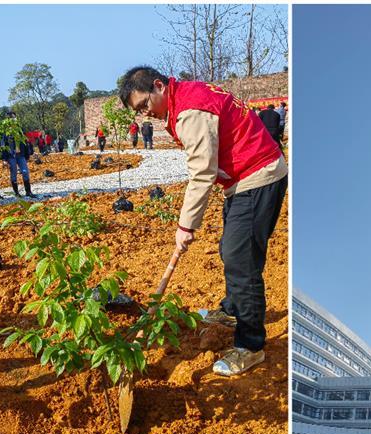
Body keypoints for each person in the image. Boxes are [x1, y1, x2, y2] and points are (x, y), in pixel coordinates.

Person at [119, 66, 288, 377]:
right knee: (230, 250)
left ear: (159, 86)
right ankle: (232, 311)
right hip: (243, 178)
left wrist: (185, 226)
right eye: (139, 111)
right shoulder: (185, 96)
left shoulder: (190, 110)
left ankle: (250, 346)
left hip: (258, 175)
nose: (145, 114)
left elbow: (202, 173)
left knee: (241, 261)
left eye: (144, 104)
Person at [3, 112, 36, 198]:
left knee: (25, 172)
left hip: (21, 155)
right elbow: (3, 146)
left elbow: (25, 142)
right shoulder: (5, 132)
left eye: (14, 117)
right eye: (12, 118)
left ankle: (28, 191)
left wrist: (27, 155)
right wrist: (4, 159)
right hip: (11, 156)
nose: (14, 119)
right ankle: (16, 193)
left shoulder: (19, 130)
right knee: (14, 174)